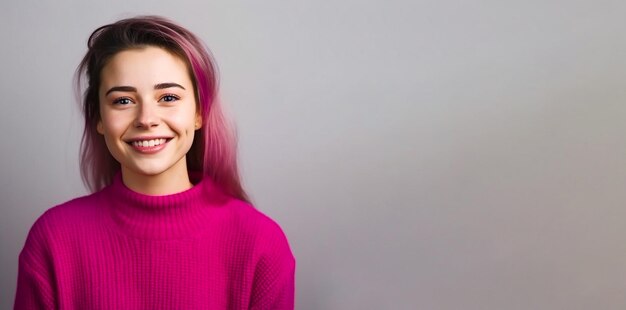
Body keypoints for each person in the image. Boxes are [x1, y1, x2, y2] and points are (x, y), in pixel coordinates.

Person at [14, 16, 295, 309]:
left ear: (200, 112)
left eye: (169, 97)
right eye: (123, 101)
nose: (146, 119)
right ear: (98, 118)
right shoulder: (54, 240)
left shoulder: (260, 244)